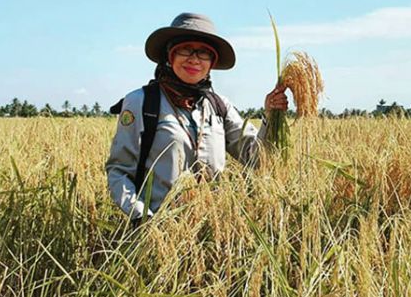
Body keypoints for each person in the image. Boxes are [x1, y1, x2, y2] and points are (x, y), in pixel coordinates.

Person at [106, 12, 287, 221]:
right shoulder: (142, 102)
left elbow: (256, 158)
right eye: (185, 50)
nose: (194, 59)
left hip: (212, 233)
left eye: (203, 53)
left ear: (212, 62)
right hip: (156, 231)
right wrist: (141, 217)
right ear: (170, 55)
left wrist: (271, 117)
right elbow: (119, 171)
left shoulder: (219, 106)